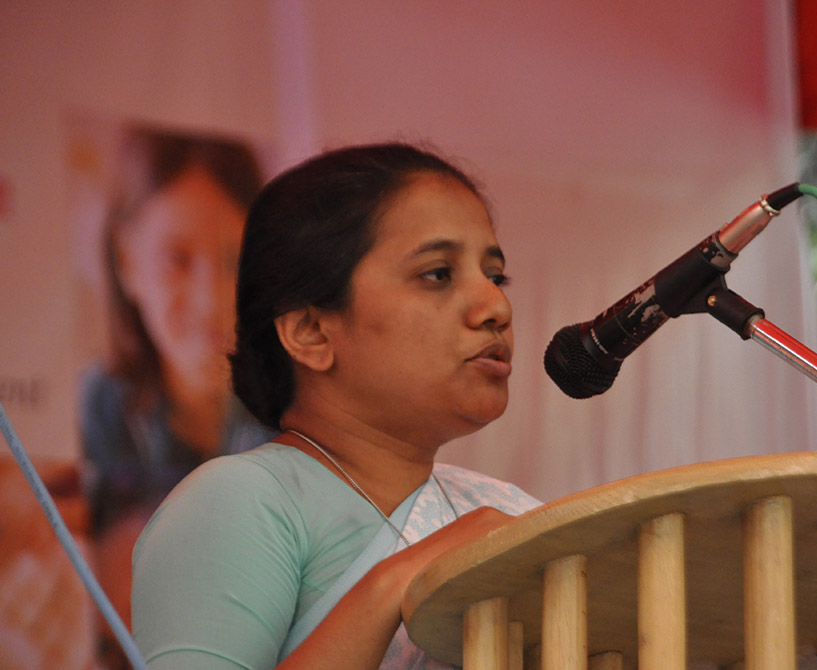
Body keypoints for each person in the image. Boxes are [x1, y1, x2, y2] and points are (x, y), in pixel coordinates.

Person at [130, 142, 540, 669]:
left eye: (495, 275)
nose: (496, 307)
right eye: (438, 273)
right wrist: (399, 582)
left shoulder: (505, 511)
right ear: (311, 332)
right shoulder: (241, 502)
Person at [78, 125, 273, 665]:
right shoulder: (94, 410)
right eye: (177, 259)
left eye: (235, 261)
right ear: (126, 260)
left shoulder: (299, 412)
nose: (211, 301)